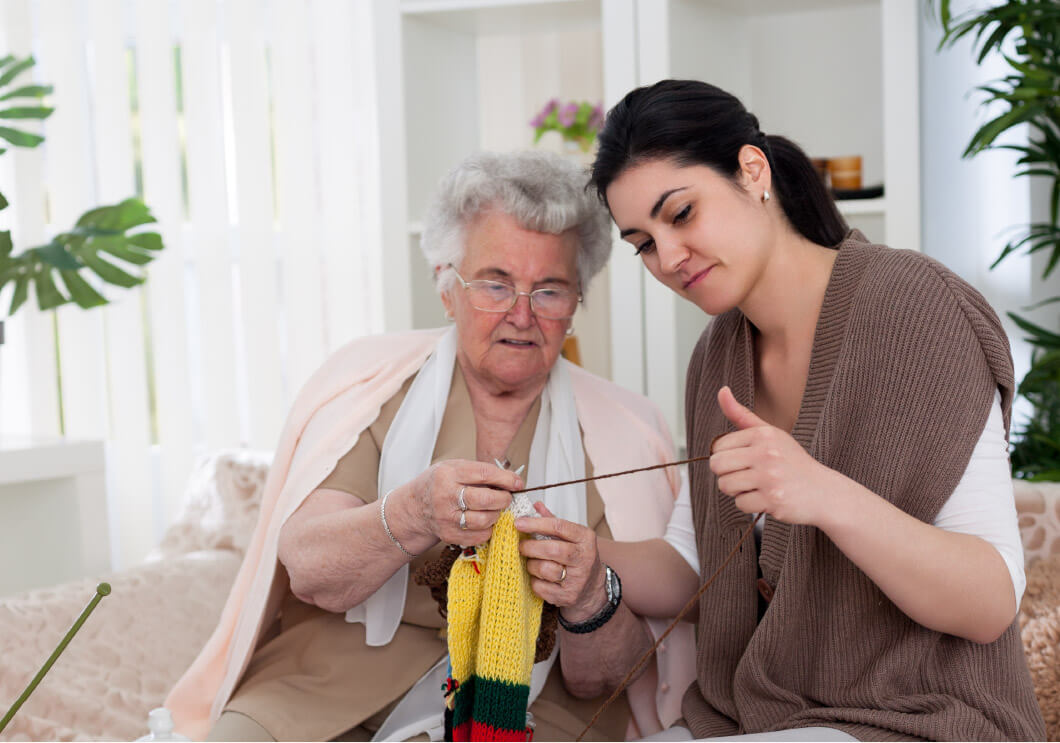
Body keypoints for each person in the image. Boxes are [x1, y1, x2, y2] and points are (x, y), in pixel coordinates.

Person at [164, 150, 698, 742]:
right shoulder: (367, 386)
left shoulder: (628, 431)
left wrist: (592, 594)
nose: (522, 315)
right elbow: (310, 572)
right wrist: (412, 513)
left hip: (529, 703)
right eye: (495, 284)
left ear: (576, 302)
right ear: (447, 288)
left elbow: (607, 678)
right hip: (325, 686)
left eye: (549, 291)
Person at [582, 79, 1046, 741]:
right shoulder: (716, 358)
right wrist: (579, 555)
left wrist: (820, 491)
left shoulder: (916, 307)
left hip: (927, 719)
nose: (670, 257)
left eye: (681, 213)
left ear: (752, 171)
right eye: (644, 243)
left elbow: (990, 601)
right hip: (756, 716)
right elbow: (694, 564)